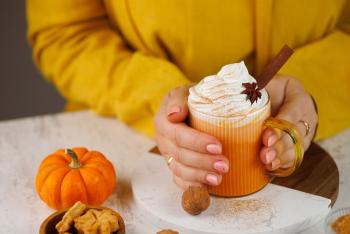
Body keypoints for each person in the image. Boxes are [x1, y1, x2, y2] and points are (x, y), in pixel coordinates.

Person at [27, 1, 350, 189]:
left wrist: (309, 90)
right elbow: (66, 34)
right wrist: (161, 98)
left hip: (330, 145)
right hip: (131, 152)